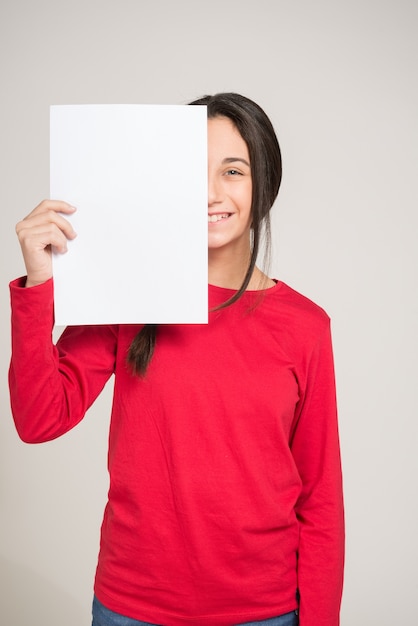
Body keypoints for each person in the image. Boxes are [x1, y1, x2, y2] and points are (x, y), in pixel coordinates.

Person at [9, 93, 344, 626]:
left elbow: (321, 500)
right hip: (132, 608)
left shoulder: (305, 326)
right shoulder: (128, 298)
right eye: (192, 172)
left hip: (264, 611)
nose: (211, 192)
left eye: (233, 170)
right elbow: (39, 417)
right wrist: (38, 286)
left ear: (264, 185)